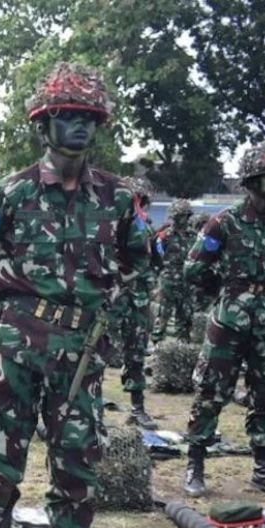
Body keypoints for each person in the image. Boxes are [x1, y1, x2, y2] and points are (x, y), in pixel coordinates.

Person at [0, 63, 148, 528]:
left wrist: (108, 302)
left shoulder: (117, 197)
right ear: (45, 125)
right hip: (15, 344)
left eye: (88, 118)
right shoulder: (8, 192)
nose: (79, 128)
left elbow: (141, 263)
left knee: (77, 466)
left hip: (80, 350)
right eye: (67, 117)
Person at [181, 144, 265, 499]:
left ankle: (264, 469)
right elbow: (193, 267)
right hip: (228, 323)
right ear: (249, 182)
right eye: (263, 177)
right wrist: (224, 292)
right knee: (210, 393)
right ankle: (195, 464)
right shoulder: (223, 223)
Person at [114, 177, 156, 428]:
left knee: (137, 351)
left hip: (137, 299)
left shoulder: (144, 228)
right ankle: (88, 406)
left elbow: (153, 260)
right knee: (94, 351)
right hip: (109, 297)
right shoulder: (103, 225)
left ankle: (137, 407)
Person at [151, 199, 196, 343]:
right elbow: (156, 256)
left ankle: (182, 347)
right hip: (168, 280)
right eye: (175, 216)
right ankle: (157, 345)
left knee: (186, 317)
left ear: (187, 216)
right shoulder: (164, 236)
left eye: (181, 216)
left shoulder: (194, 236)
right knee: (163, 314)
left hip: (187, 282)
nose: (177, 219)